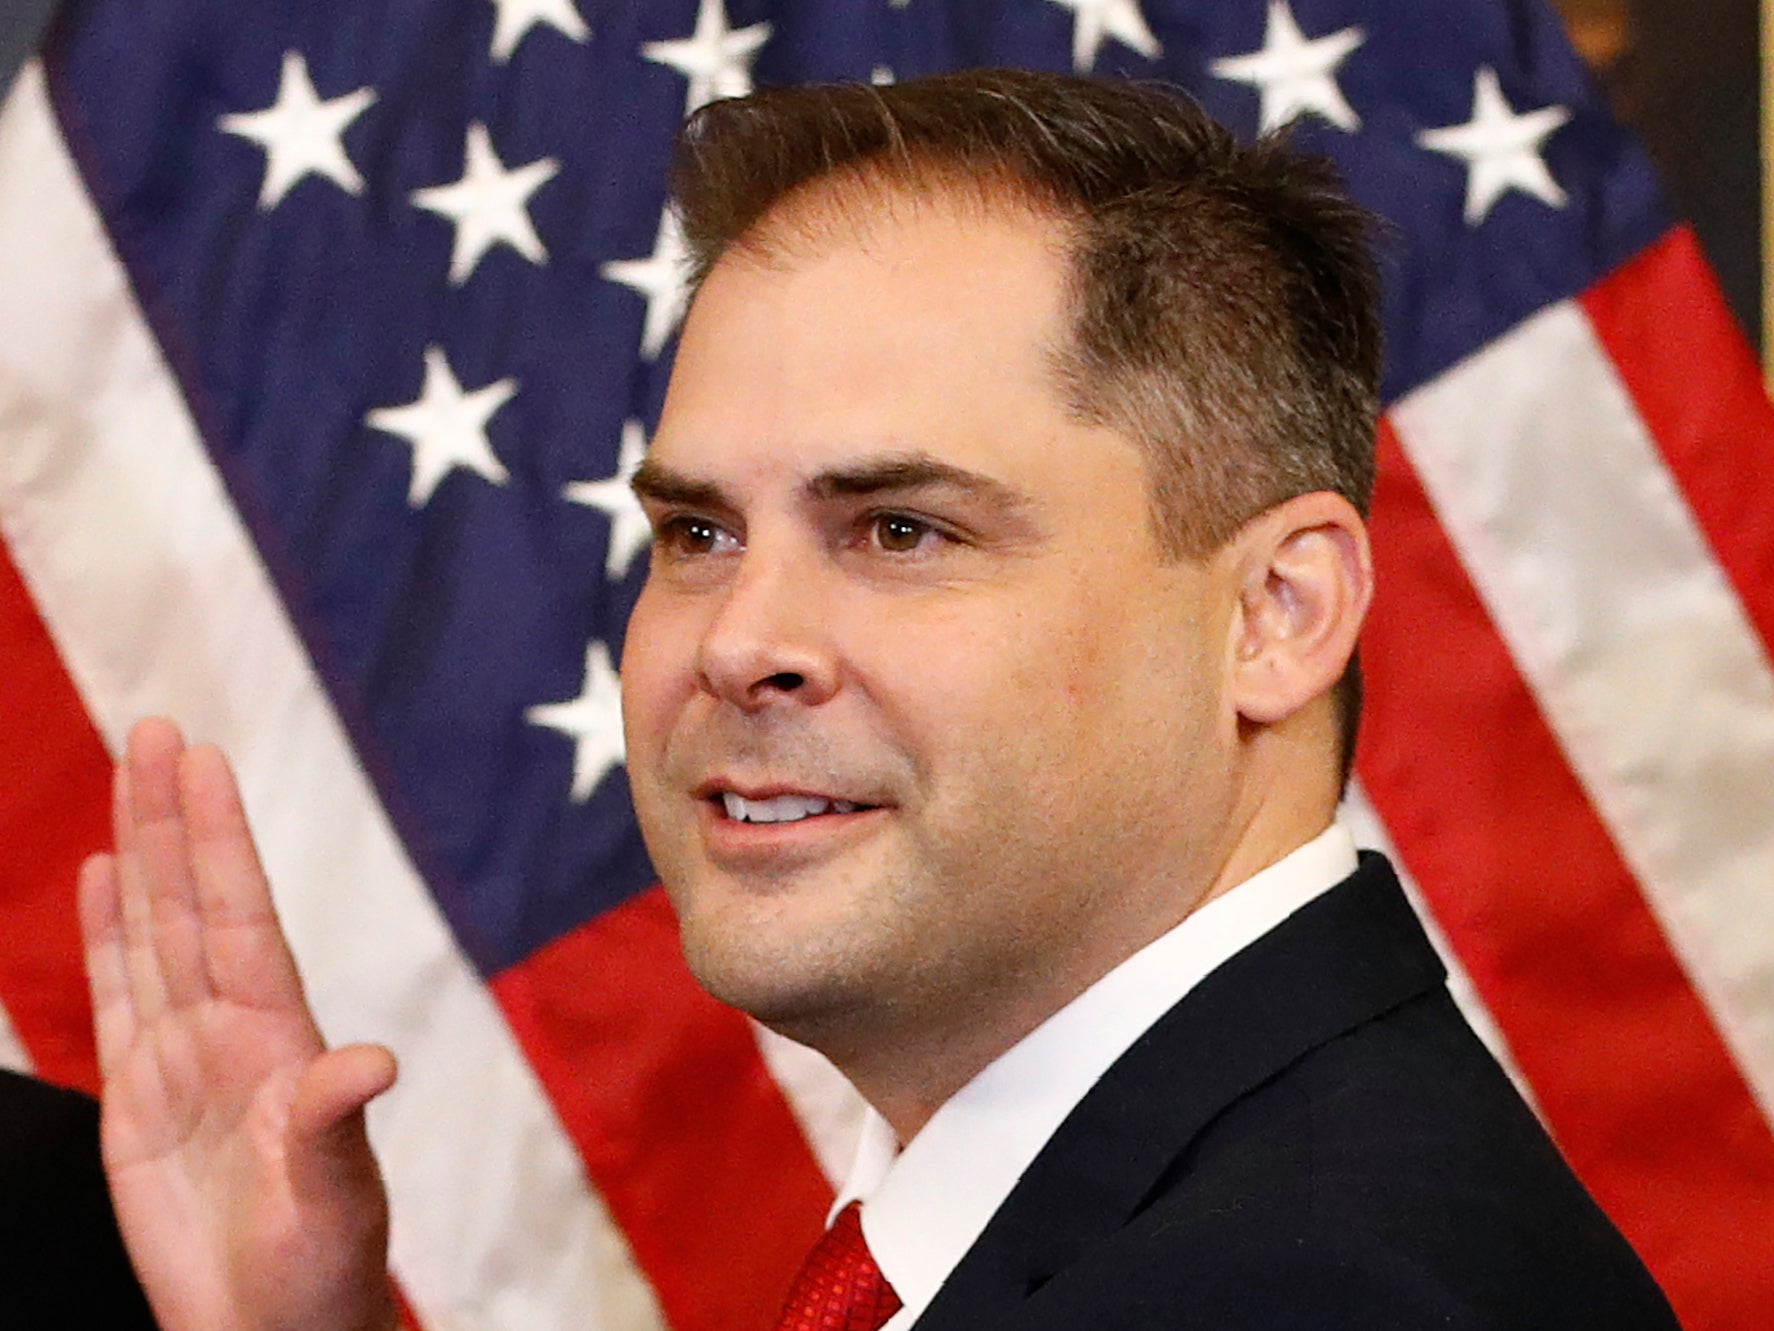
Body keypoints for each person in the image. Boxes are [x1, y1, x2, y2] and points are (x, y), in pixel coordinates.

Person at [78, 70, 1677, 1330]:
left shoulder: (1314, 1294)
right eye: (697, 532)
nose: (735, 640)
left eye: (900, 530)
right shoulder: (1143, 1214)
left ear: (1276, 611)